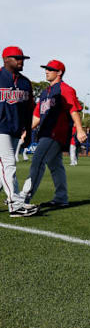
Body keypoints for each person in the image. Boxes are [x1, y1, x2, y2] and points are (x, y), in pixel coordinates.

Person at [19, 59, 87, 208]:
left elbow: (73, 110)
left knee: (37, 161)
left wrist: (80, 129)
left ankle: (24, 198)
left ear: (59, 72)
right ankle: (61, 197)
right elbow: (37, 116)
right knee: (56, 166)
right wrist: (27, 130)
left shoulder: (66, 89)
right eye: (46, 68)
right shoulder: (45, 92)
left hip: (56, 132)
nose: (46, 71)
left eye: (50, 69)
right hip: (45, 132)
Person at [0, 46, 38, 217]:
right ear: (6, 59)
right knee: (9, 164)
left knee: (3, 167)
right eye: (17, 58)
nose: (21, 61)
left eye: (22, 58)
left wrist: (28, 132)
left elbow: (30, 109)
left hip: (16, 129)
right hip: (1, 129)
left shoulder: (25, 82)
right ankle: (16, 205)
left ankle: (15, 201)